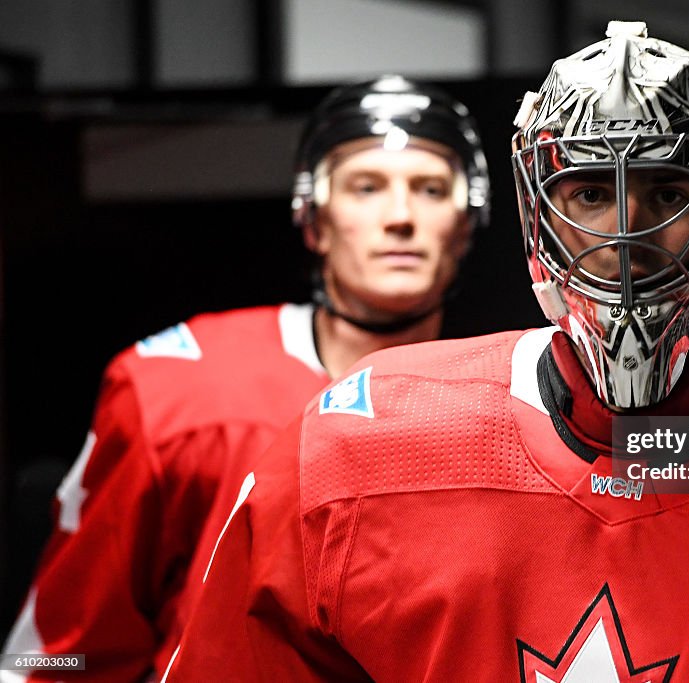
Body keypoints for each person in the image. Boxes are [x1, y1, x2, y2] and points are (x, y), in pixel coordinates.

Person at [163, 22, 689, 681]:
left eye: (666, 189)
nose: (625, 230)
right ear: (538, 214)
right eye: (587, 188)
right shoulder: (349, 446)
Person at [1, 75, 490, 682]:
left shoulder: (520, 398)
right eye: (367, 187)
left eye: (430, 189)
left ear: (467, 222)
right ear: (313, 219)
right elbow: (62, 656)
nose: (400, 217)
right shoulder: (176, 388)